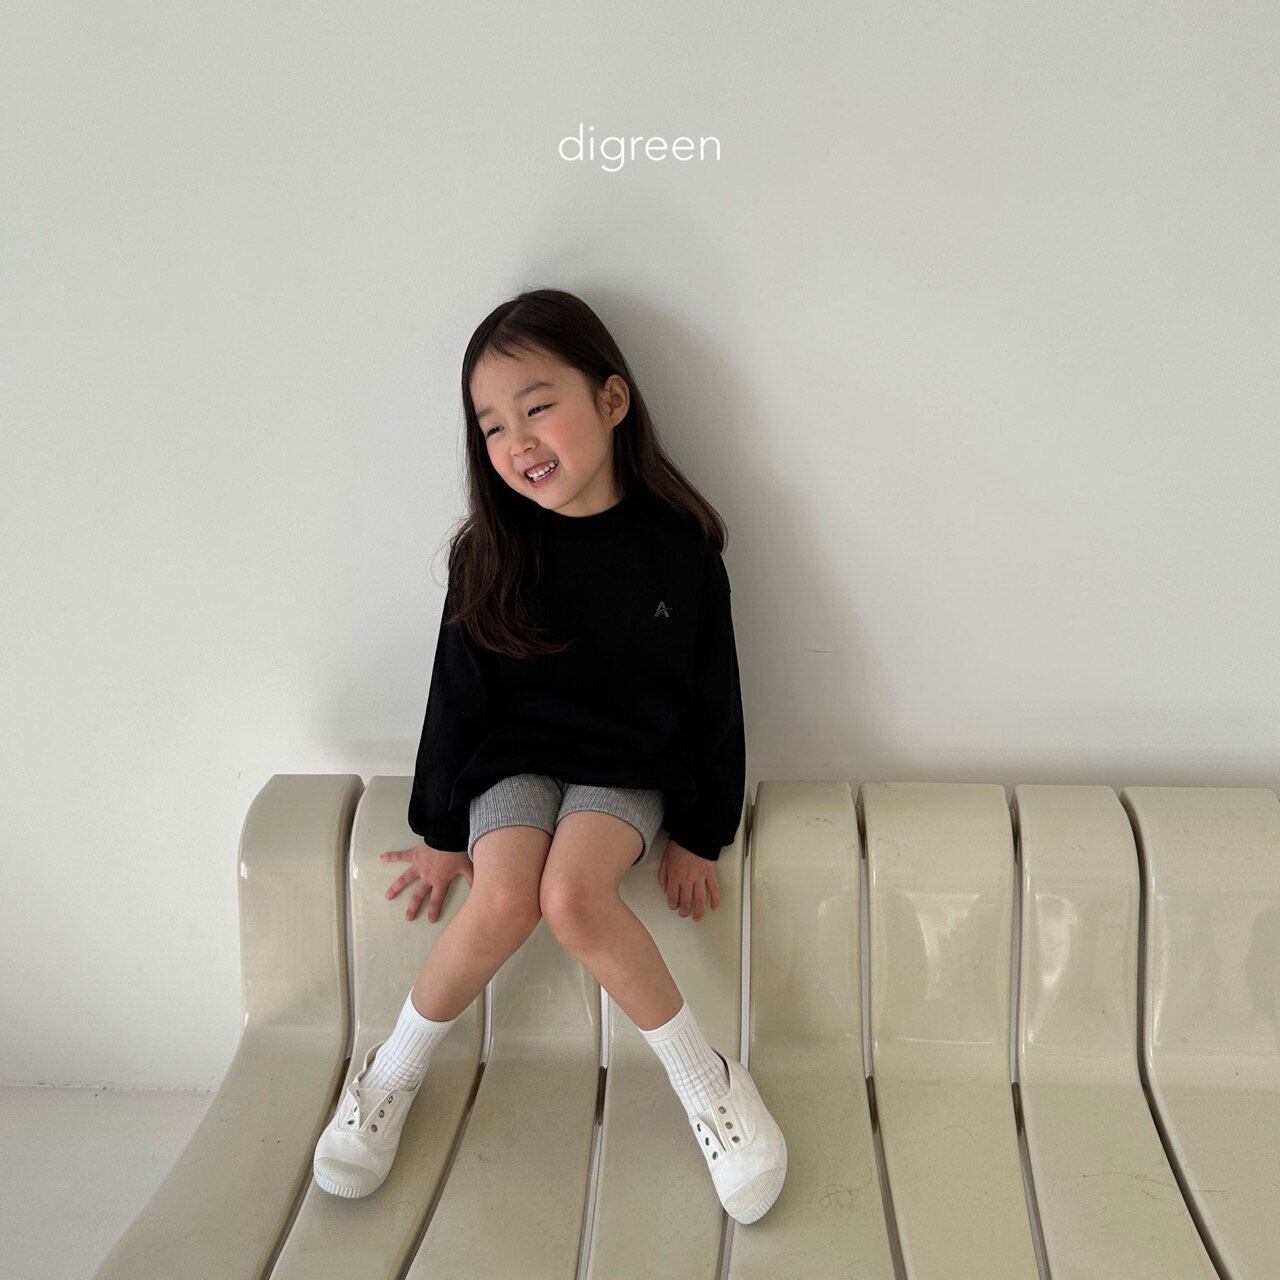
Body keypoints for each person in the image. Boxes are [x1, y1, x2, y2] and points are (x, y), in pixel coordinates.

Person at [313, 288, 786, 1224]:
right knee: (504, 896)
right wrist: (441, 832)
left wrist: (702, 831)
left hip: (626, 764)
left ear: (612, 400)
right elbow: (455, 696)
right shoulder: (487, 549)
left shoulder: (679, 547)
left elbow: (714, 698)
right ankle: (389, 1072)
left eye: (536, 407)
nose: (517, 441)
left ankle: (711, 1087)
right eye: (492, 425)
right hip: (515, 760)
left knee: (572, 897)